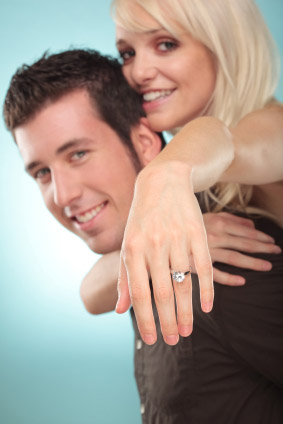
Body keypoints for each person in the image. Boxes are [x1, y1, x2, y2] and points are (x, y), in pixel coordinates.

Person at [4, 49, 283, 423]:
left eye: (79, 154)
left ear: (146, 142)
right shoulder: (148, 251)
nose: (62, 195)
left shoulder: (225, 271)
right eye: (41, 172)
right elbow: (90, 293)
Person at [108, 0, 283, 348]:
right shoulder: (199, 185)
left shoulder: (272, 126)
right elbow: (88, 293)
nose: (138, 72)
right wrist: (165, 250)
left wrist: (164, 174)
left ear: (224, 45)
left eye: (166, 44)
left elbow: (230, 141)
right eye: (128, 53)